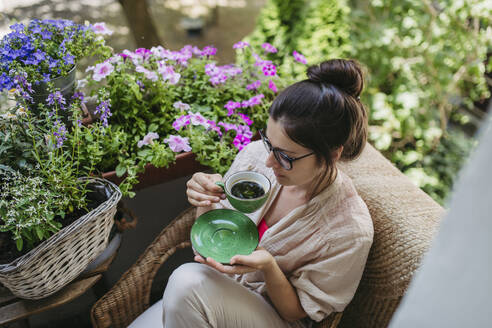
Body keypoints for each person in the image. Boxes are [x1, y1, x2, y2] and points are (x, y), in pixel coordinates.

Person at [162, 59, 374, 328]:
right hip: (213, 291)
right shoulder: (255, 159)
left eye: (286, 156)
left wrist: (269, 267)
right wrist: (205, 200)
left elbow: (296, 312)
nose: (269, 162)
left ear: (332, 154)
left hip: (274, 318)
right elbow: (207, 251)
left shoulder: (348, 231)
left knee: (186, 281)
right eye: (269, 143)